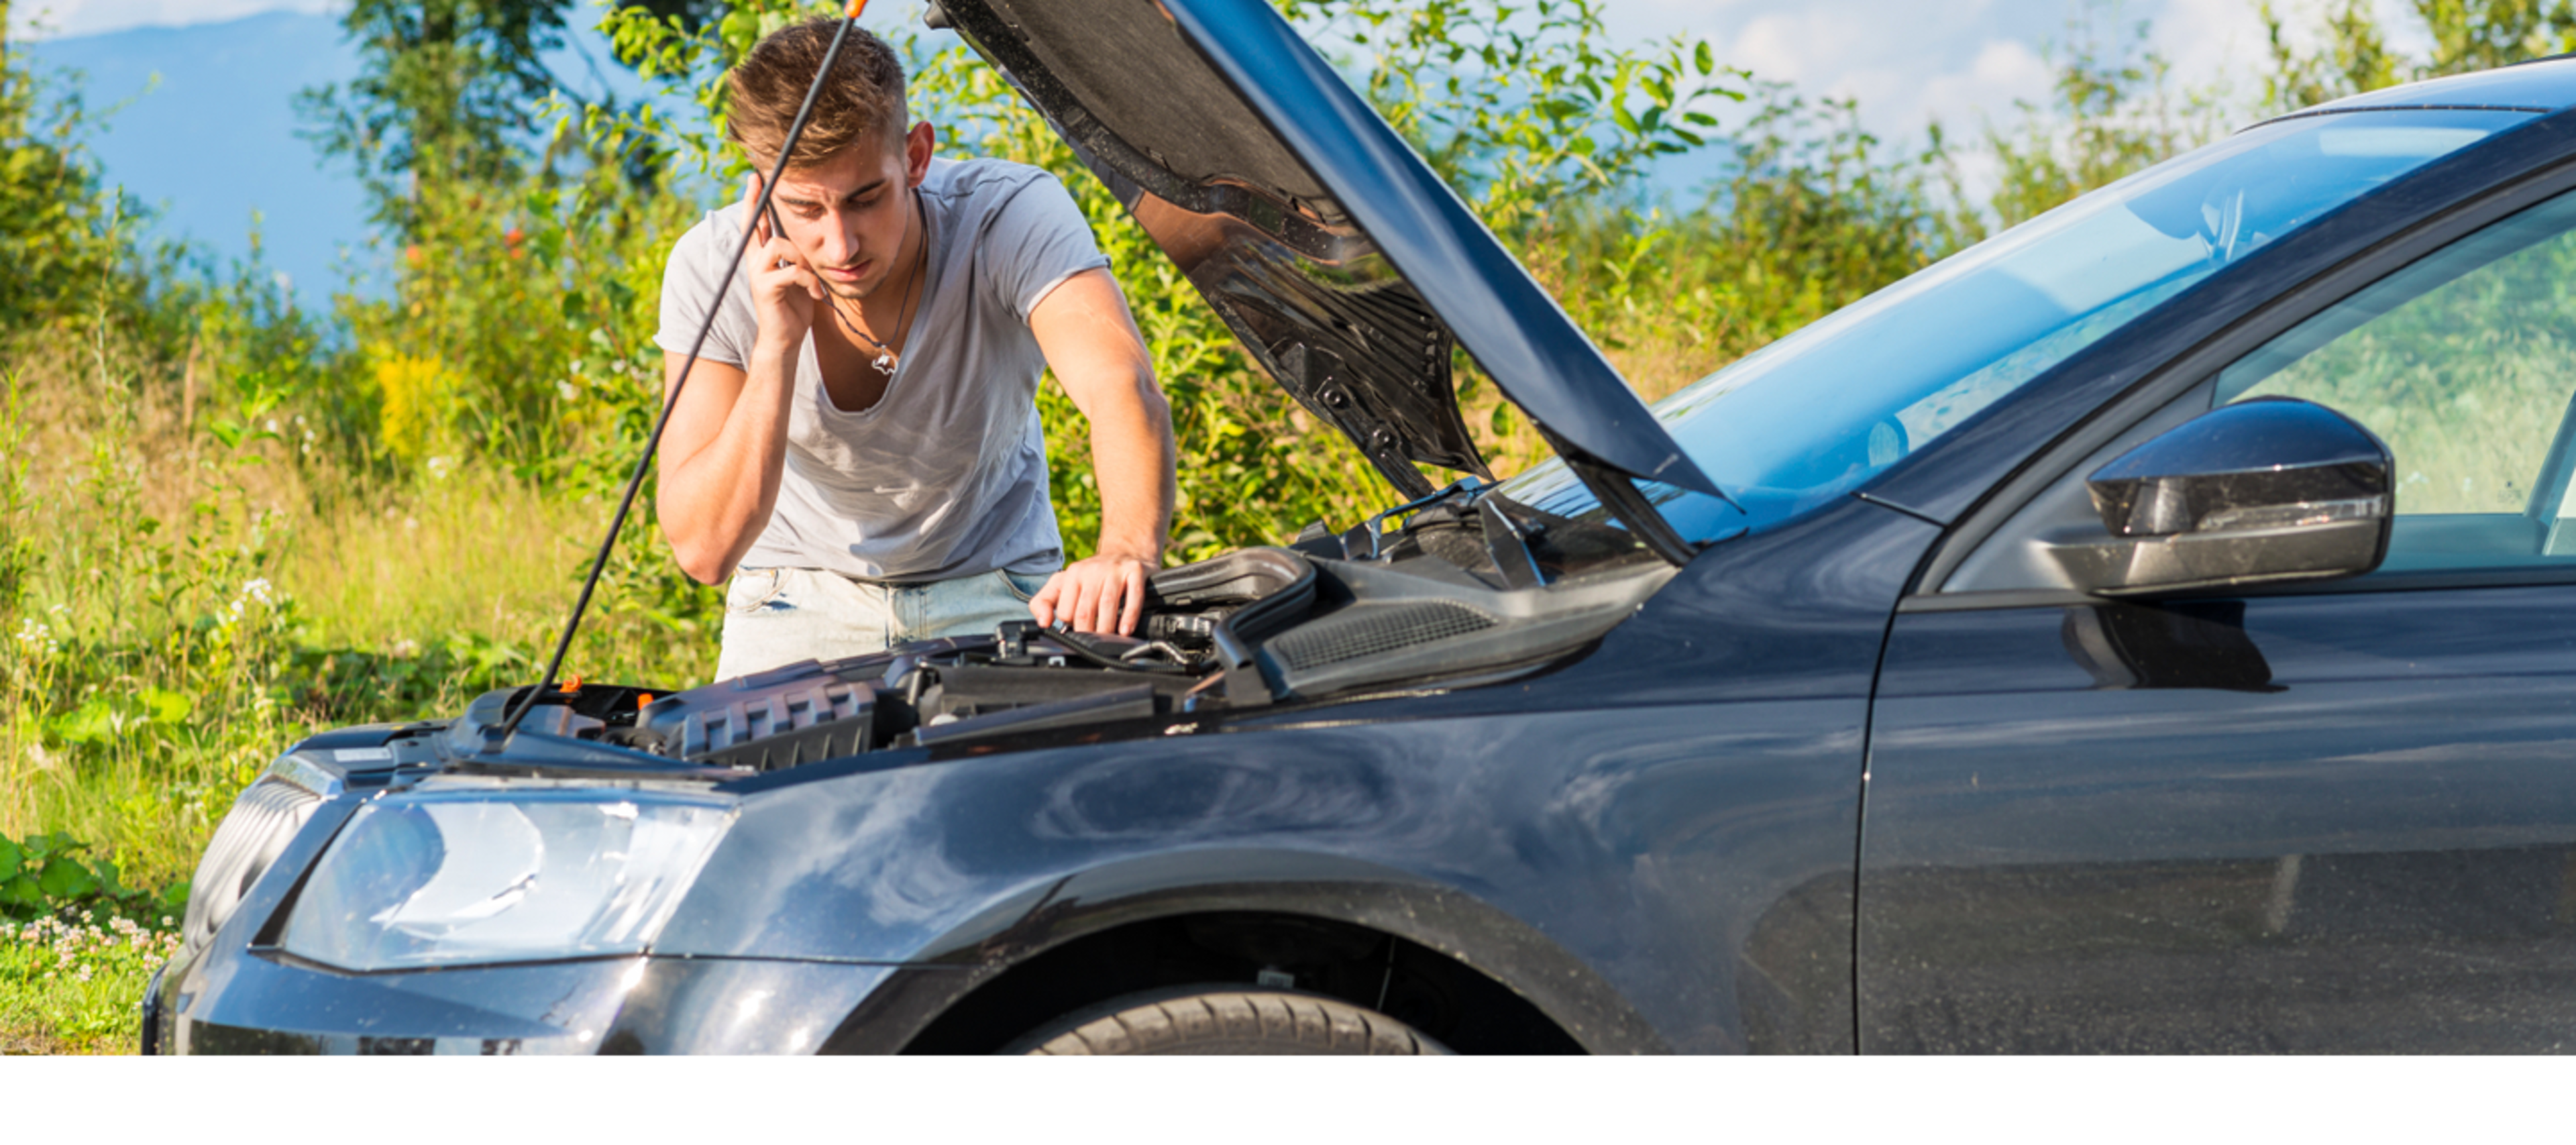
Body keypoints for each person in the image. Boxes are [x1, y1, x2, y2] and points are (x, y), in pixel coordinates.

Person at [653, 17, 1177, 680]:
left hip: (1000, 590)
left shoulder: (1009, 214)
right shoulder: (711, 265)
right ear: (761, 194)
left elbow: (1121, 387)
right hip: (795, 597)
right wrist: (776, 347)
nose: (840, 245)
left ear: (917, 156)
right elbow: (704, 550)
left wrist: (1125, 549)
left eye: (865, 198)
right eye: (806, 210)